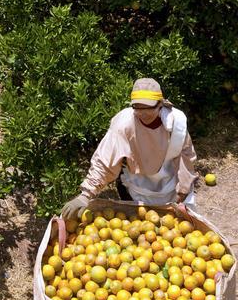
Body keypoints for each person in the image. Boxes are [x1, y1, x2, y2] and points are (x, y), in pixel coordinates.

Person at [60, 78, 199, 221]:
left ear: (160, 104)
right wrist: (86, 194)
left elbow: (186, 160)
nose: (143, 113)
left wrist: (182, 193)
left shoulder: (176, 124)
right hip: (136, 188)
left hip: (171, 187)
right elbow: (105, 159)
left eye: (149, 108)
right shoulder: (124, 124)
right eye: (138, 108)